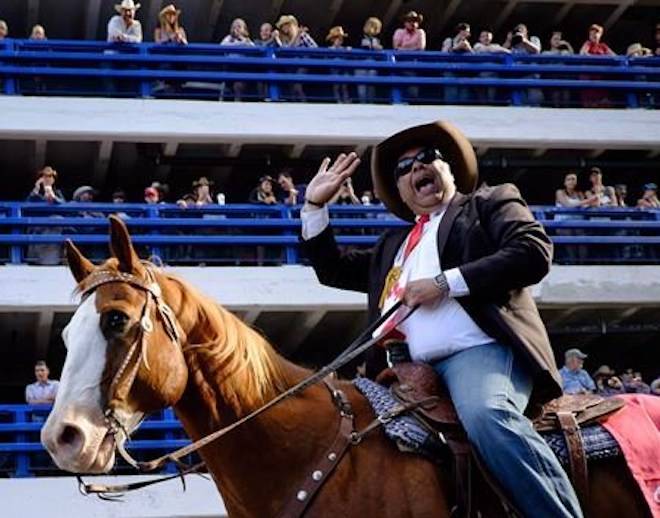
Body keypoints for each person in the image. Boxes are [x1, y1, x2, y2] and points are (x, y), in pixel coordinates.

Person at [300, 121, 582, 517]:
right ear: (400, 191)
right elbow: (331, 269)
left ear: (449, 169)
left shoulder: (488, 202)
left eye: (427, 158)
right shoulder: (392, 246)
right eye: (404, 169)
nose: (417, 169)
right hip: (398, 371)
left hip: (477, 351)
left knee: (488, 416)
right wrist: (314, 207)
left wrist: (445, 283)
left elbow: (533, 251)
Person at [276, 15, 317, 101]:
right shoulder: (284, 39)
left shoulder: (303, 35)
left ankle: (303, 104)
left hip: (303, 64)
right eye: (283, 26)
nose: (285, 27)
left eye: (287, 24)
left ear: (293, 25)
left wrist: (304, 54)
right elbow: (285, 50)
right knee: (292, 87)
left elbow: (315, 48)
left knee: (297, 85)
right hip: (291, 66)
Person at [579, 24, 615, 108]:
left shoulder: (603, 46)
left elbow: (614, 56)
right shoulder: (587, 44)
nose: (594, 35)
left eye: (597, 33)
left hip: (601, 76)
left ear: (600, 34)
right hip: (589, 76)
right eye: (592, 33)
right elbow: (583, 53)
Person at [473, 30, 509, 104]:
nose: (486, 38)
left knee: (491, 98)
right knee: (481, 99)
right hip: (480, 76)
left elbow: (508, 51)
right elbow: (484, 49)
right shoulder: (477, 45)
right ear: (480, 38)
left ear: (491, 37)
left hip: (493, 76)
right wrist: (499, 50)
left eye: (488, 36)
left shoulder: (496, 45)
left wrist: (499, 49)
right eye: (484, 36)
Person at [442, 23, 473, 104]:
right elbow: (444, 54)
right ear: (461, 31)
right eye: (466, 32)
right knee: (451, 94)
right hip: (450, 70)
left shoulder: (467, 43)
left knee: (464, 96)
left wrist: (469, 49)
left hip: (464, 71)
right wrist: (457, 47)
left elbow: (474, 57)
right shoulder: (449, 41)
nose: (468, 34)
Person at [356, 17, 383, 103]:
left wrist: (378, 48)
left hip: (372, 64)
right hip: (360, 64)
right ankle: (362, 103)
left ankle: (371, 103)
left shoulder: (377, 39)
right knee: (362, 87)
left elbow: (380, 52)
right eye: (371, 26)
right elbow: (359, 47)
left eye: (376, 27)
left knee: (371, 85)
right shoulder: (358, 36)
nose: (373, 29)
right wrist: (370, 47)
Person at [326, 26, 351, 103]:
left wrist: (348, 51)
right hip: (335, 70)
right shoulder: (330, 49)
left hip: (343, 69)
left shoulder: (344, 49)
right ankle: (337, 100)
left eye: (341, 38)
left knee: (344, 86)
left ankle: (346, 99)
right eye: (337, 38)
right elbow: (327, 59)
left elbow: (348, 58)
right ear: (332, 40)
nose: (339, 40)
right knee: (336, 86)